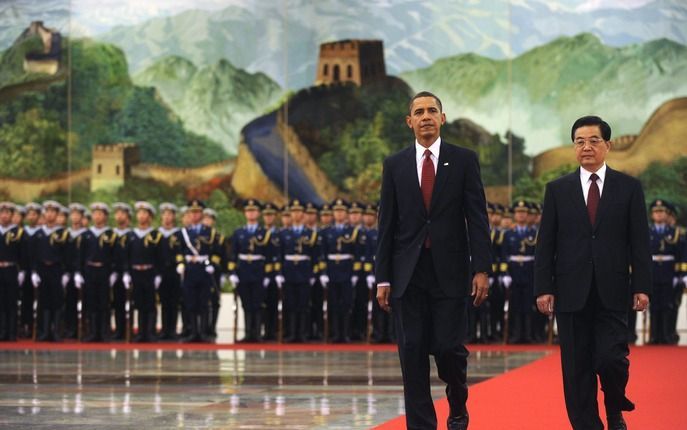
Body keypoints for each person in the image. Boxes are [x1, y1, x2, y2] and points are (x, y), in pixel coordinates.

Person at [375, 91, 492, 430]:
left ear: (442, 118)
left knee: (448, 348)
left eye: (432, 111)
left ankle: (457, 397)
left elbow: (477, 218)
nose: (425, 116)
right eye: (419, 112)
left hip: (450, 273)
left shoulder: (464, 160)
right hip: (407, 274)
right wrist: (383, 277)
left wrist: (481, 269)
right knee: (411, 355)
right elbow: (387, 225)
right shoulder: (394, 165)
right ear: (409, 121)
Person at [534, 115, 651, 430]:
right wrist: (543, 287)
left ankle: (614, 407)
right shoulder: (557, 190)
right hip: (571, 291)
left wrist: (642, 285)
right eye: (579, 142)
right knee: (576, 369)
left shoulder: (629, 188)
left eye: (593, 140)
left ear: (608, 145)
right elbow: (545, 243)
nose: (586, 147)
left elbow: (640, 242)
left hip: (613, 290)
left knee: (611, 359)